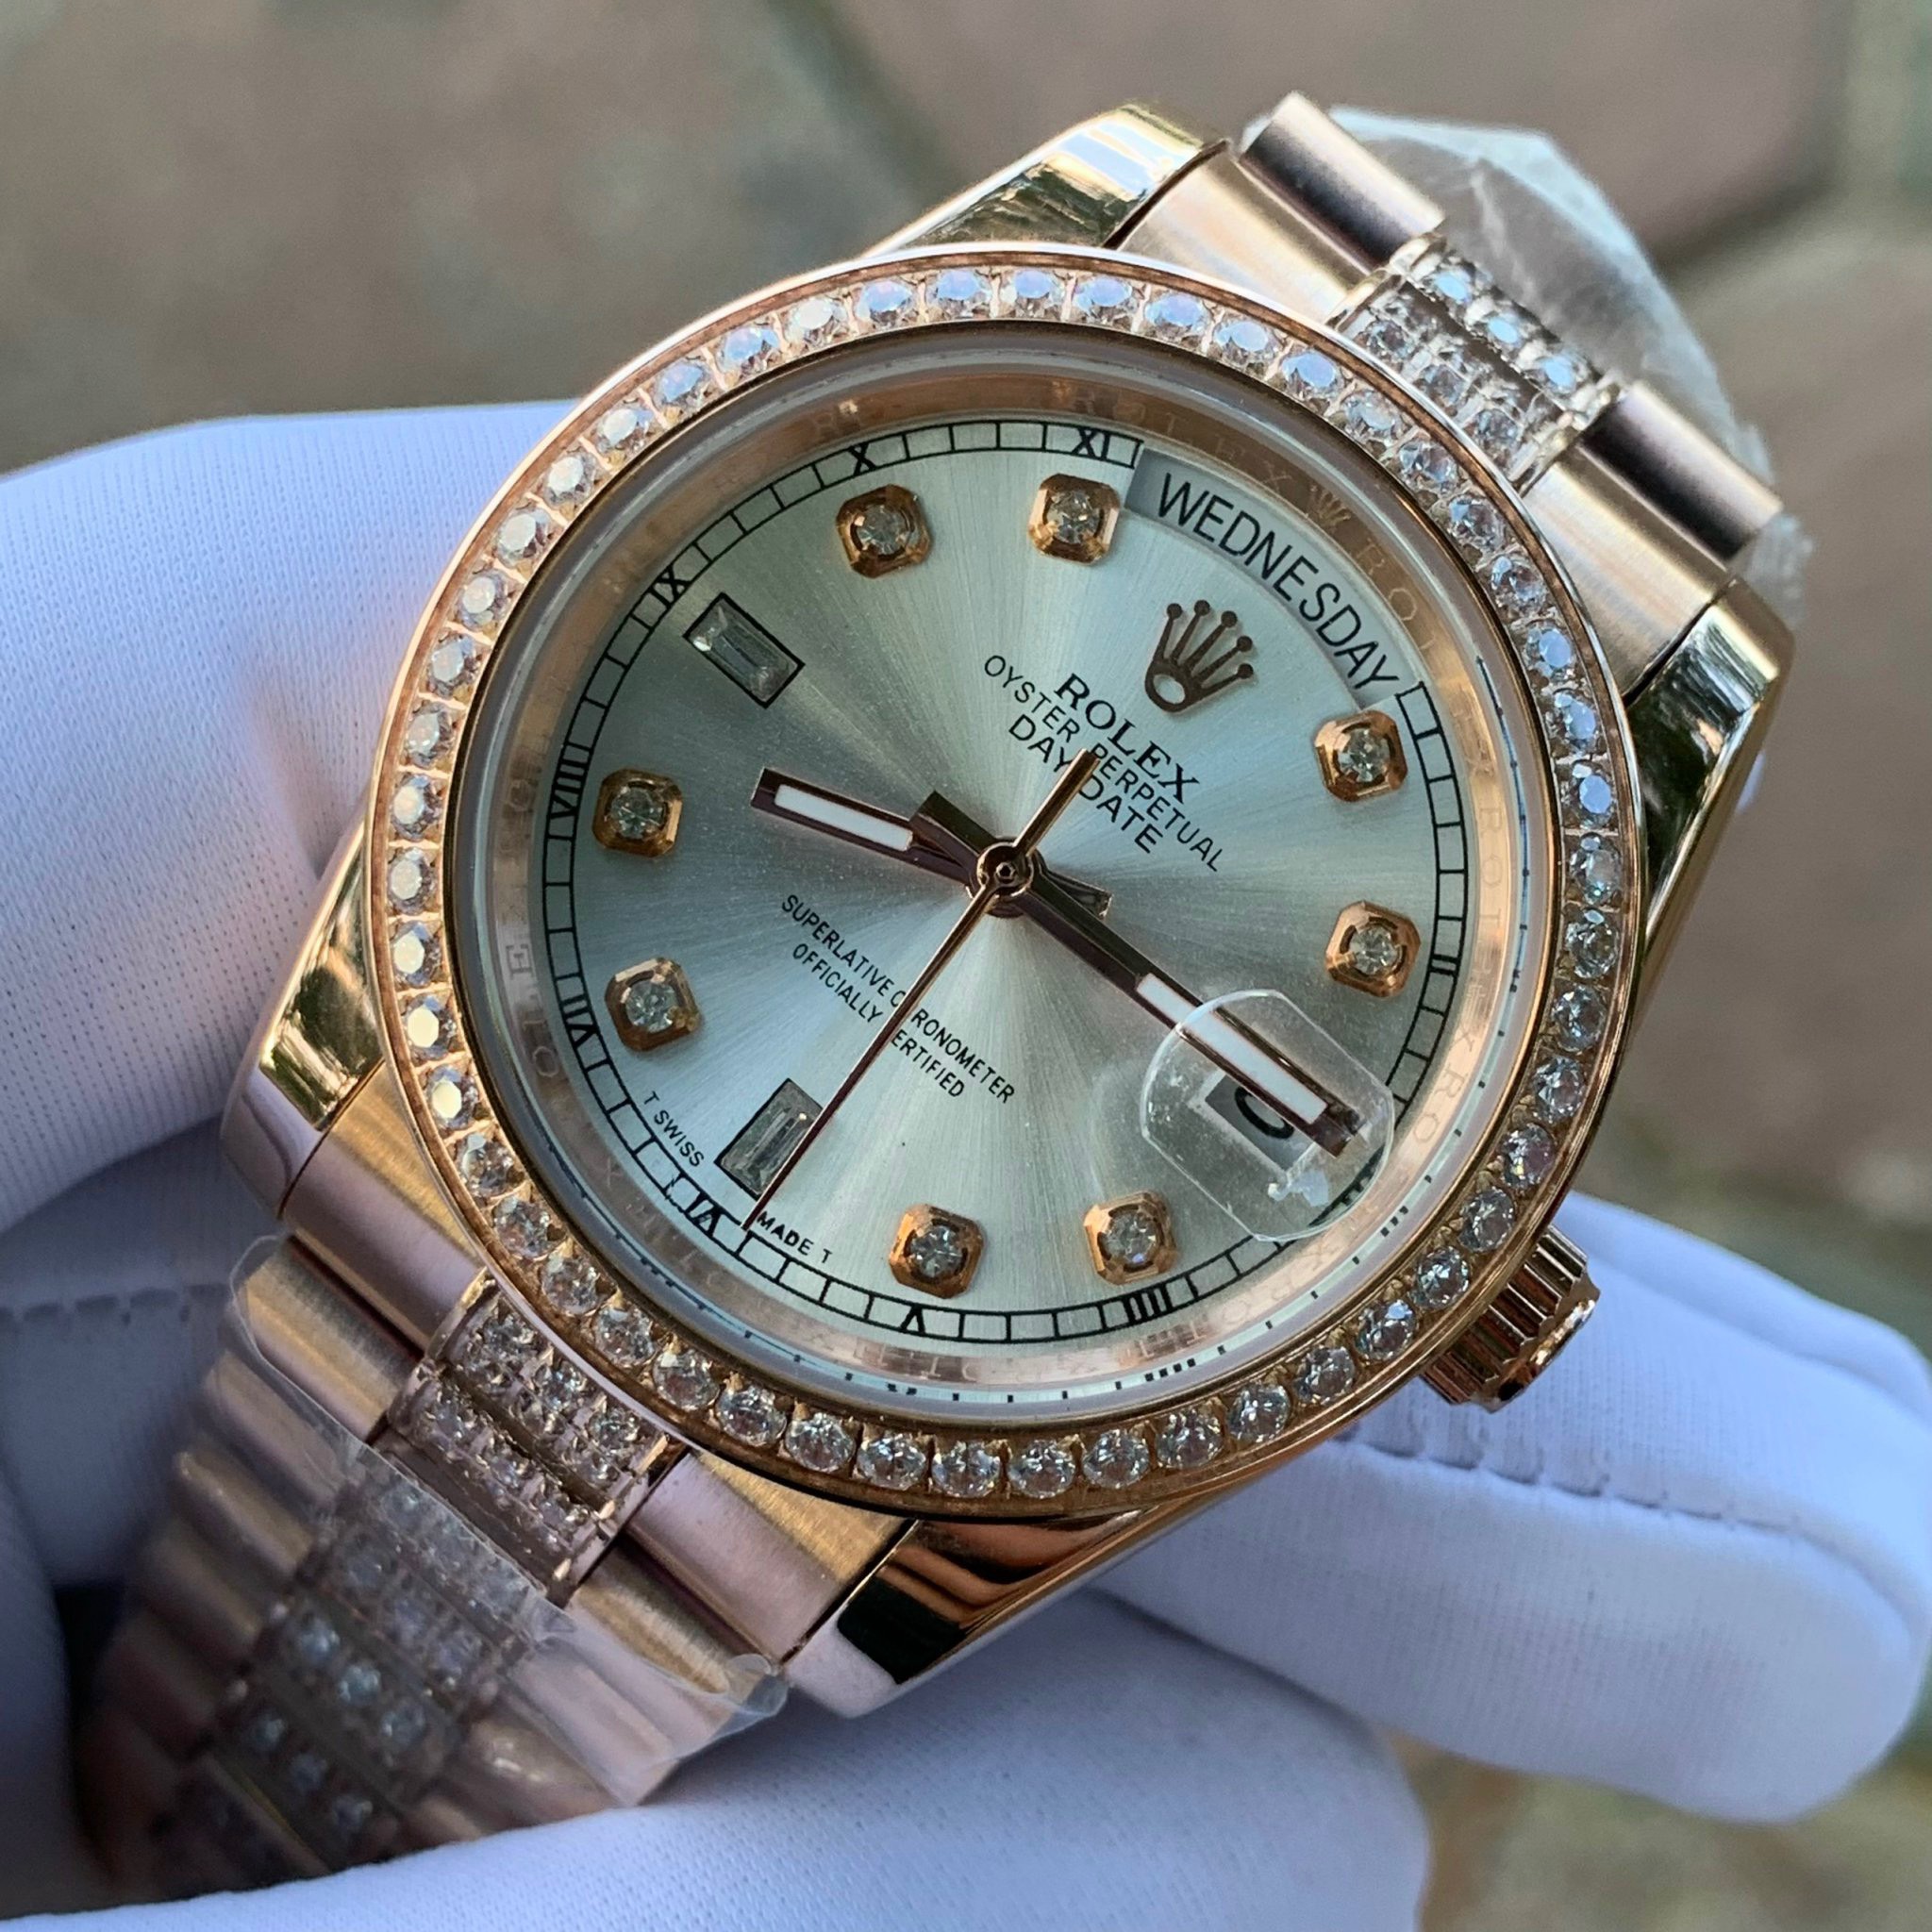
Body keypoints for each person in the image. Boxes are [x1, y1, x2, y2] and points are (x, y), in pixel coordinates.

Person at [1, 407, 1926, 1931]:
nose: (1002, 881)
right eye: (986, 866)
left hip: (792, 1429)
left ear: (1474, 1290)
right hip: (471, 1138)